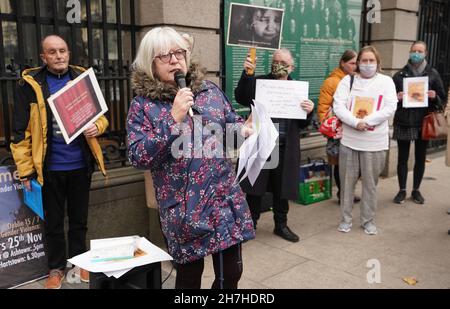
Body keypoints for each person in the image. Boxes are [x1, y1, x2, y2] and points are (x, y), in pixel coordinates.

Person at [126, 27, 255, 289]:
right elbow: (137, 155)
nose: (175, 60)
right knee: (188, 279)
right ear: (150, 62)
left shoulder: (208, 91)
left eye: (179, 52)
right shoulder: (142, 105)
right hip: (185, 208)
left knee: (230, 273)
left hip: (223, 198)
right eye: (164, 56)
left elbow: (230, 130)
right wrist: (172, 119)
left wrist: (244, 130)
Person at [10, 35, 108, 289]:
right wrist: (26, 171)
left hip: (80, 165)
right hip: (49, 169)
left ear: (69, 53)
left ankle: (80, 262)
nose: (59, 56)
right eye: (52, 52)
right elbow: (21, 133)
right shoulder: (29, 85)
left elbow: (101, 116)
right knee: (53, 223)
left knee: (79, 221)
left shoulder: (81, 78)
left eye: (63, 50)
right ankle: (56, 268)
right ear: (43, 57)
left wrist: (96, 127)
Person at [234, 48, 315, 242]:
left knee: (282, 188)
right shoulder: (260, 82)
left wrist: (310, 111)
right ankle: (250, 224)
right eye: (275, 61)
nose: (278, 65)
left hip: (285, 146)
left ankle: (281, 224)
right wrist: (247, 74)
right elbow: (241, 97)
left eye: (283, 63)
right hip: (261, 143)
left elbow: (303, 124)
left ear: (291, 67)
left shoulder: (298, 90)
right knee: (254, 186)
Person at [333, 46, 398, 235]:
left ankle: (368, 220)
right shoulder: (348, 80)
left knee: (370, 184)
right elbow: (339, 105)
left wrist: (366, 122)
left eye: (372, 61)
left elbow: (390, 107)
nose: (368, 64)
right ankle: (345, 219)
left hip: (374, 142)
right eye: (364, 60)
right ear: (358, 62)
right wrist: (355, 122)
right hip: (350, 141)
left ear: (378, 63)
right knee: (347, 184)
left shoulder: (386, 82)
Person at [392, 41, 447, 204]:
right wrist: (397, 97)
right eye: (414, 50)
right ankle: (402, 190)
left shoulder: (433, 73)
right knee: (402, 157)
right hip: (404, 120)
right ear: (409, 52)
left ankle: (416, 190)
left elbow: (442, 99)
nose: (416, 53)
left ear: (426, 53)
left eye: (420, 51)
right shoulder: (399, 75)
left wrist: (434, 96)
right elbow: (388, 100)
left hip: (424, 121)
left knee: (420, 157)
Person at [318, 50, 358, 204]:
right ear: (343, 63)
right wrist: (327, 127)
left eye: (356, 63)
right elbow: (323, 107)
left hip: (353, 127)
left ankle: (348, 192)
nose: (355, 66)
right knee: (340, 163)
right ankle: (343, 194)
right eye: (351, 63)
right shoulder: (333, 81)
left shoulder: (357, 80)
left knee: (352, 164)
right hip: (338, 130)